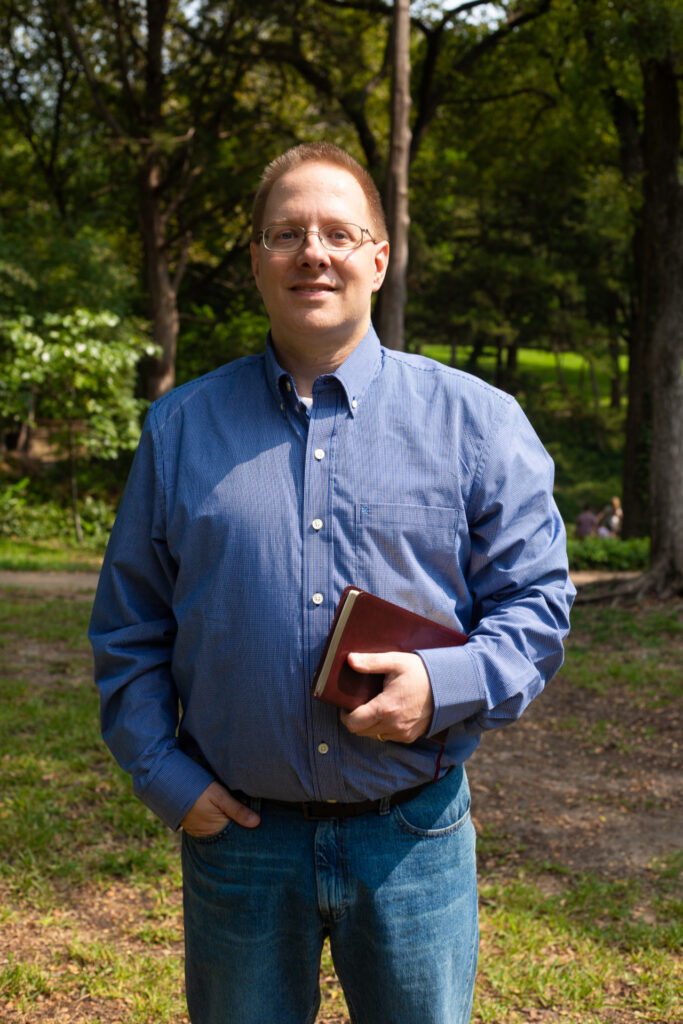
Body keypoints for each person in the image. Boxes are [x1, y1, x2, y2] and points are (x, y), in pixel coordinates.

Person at [89, 142, 575, 1024]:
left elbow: (538, 604)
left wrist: (441, 683)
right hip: (237, 840)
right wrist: (162, 775)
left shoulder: (477, 422)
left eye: (339, 233)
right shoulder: (178, 429)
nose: (313, 252)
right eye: (286, 233)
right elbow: (129, 625)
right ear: (256, 260)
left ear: (379, 258)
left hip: (411, 837)